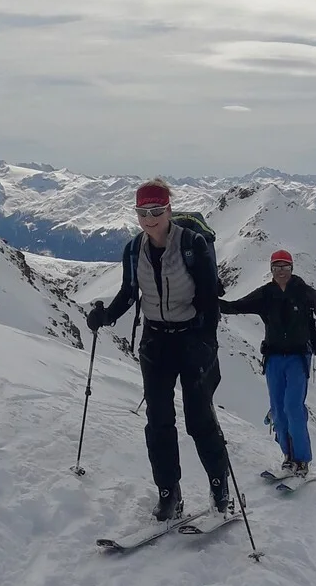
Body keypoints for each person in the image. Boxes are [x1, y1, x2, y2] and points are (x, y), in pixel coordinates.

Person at [86, 178, 231, 520]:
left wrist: (207, 344)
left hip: (191, 338)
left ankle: (219, 486)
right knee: (159, 422)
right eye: (142, 212)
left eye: (155, 211)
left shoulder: (192, 244)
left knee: (200, 420)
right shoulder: (134, 249)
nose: (149, 218)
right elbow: (128, 293)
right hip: (155, 341)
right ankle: (169, 493)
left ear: (168, 209)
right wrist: (104, 316)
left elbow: (210, 300)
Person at [219, 249, 316, 476]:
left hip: (298, 357)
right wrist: (209, 299)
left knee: (293, 407)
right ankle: (288, 457)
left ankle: (302, 460)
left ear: (292, 268)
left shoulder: (305, 292)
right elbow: (235, 307)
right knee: (278, 411)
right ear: (271, 270)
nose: (281, 272)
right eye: (277, 268)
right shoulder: (265, 294)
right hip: (273, 358)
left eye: (285, 267)